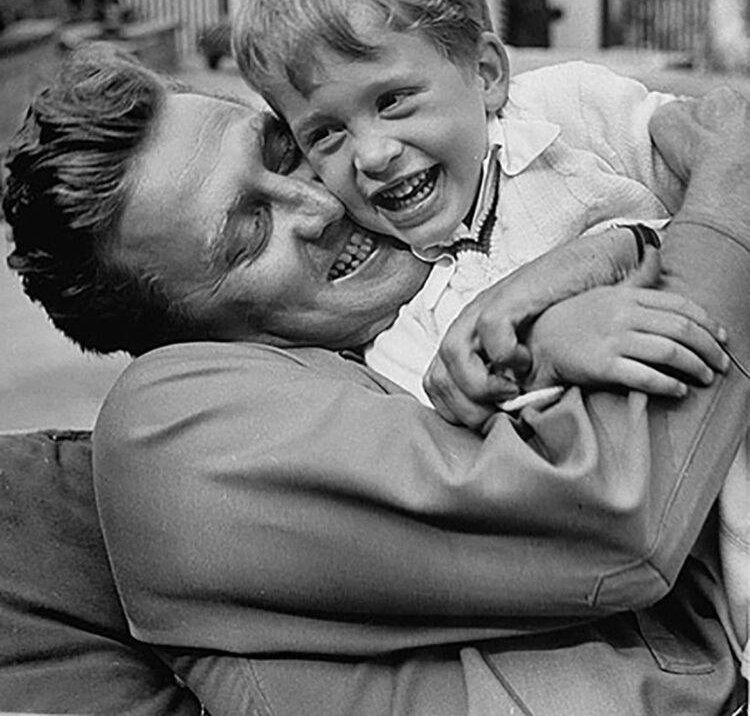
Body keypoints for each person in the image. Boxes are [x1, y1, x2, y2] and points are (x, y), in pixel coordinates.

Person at [3, 49, 750, 714]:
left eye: (286, 151)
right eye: (249, 232)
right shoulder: (169, 427)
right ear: (185, 335)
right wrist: (729, 202)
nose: (326, 202)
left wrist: (625, 241)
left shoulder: (409, 304)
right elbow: (615, 512)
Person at [233, 0, 748, 664]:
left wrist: (603, 258)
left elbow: (725, 161)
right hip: (686, 506)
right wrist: (545, 346)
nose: (373, 154)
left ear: (485, 73)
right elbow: (502, 456)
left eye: (394, 100)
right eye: (326, 135)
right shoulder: (407, 323)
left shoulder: (571, 113)